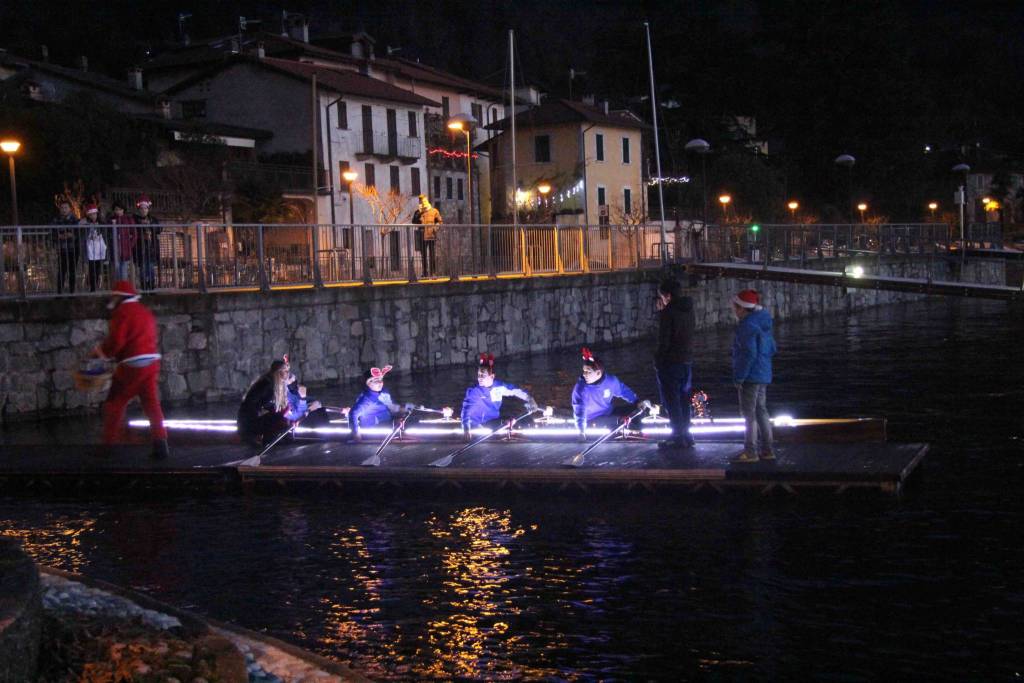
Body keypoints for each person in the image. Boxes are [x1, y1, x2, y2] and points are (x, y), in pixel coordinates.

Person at [92, 280, 169, 458]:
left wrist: (100, 353)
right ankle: (161, 444)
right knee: (151, 404)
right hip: (151, 363)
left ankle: (108, 447)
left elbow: (116, 342)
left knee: (114, 403)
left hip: (131, 365)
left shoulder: (122, 313)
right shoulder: (145, 312)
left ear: (119, 296)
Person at [730, 289, 777, 463]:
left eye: (735, 307)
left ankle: (750, 452)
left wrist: (739, 377)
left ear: (742, 308)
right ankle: (768, 450)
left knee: (748, 414)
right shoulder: (764, 322)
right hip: (763, 373)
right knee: (762, 411)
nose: (734, 310)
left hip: (750, 376)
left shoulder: (746, 326)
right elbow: (772, 348)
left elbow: (748, 353)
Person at [654, 277, 696, 449]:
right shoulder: (689, 310)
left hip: (670, 362)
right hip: (686, 361)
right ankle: (687, 434)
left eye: (662, 297)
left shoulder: (668, 313)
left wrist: (658, 360)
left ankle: (677, 436)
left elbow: (665, 341)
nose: (662, 300)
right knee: (684, 399)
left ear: (668, 296)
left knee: (672, 400)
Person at [460, 353, 537, 438]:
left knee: (526, 420)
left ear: (492, 376)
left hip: (493, 420)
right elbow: (466, 410)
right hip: (479, 424)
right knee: (507, 424)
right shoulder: (474, 391)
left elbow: (515, 390)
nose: (480, 378)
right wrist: (466, 427)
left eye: (483, 375)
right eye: (479, 375)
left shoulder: (499, 386)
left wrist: (530, 399)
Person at [571, 347, 639, 439]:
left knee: (637, 409)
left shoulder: (611, 381)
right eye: (584, 371)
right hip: (591, 419)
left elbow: (624, 391)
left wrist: (637, 402)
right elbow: (579, 413)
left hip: (608, 412)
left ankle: (640, 427)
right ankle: (624, 425)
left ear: (598, 373)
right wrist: (581, 432)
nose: (584, 374)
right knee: (619, 420)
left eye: (588, 372)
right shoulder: (580, 389)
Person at [348, 365, 414, 440]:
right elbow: (353, 414)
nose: (380, 383)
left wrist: (402, 409)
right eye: (376, 381)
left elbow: (391, 406)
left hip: (386, 423)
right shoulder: (366, 399)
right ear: (368, 383)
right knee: (410, 425)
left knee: (411, 419)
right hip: (374, 429)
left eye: (380, 380)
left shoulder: (384, 392)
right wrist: (356, 434)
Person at [237, 358, 292, 447]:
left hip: (253, 419)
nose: (288, 374)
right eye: (285, 371)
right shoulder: (266, 385)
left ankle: (276, 435)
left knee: (284, 412)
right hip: (249, 423)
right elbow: (250, 404)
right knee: (281, 416)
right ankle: (267, 438)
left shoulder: (272, 384)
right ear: (278, 372)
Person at [133, 195, 161, 291]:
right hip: (140, 247)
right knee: (142, 268)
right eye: (141, 208)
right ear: (139, 209)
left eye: (145, 208)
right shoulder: (135, 219)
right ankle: (144, 285)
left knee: (151, 267)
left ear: (148, 209)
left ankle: (152, 285)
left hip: (151, 247)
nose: (143, 210)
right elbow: (133, 230)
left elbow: (160, 229)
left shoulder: (153, 219)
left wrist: (151, 226)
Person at [52, 200, 80, 294]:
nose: (64, 210)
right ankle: (59, 291)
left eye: (66, 208)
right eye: (62, 208)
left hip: (73, 248)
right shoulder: (56, 219)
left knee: (72, 270)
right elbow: (54, 233)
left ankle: (72, 291)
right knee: (61, 270)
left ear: (70, 209)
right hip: (62, 248)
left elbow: (76, 233)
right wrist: (62, 235)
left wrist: (68, 234)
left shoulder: (75, 219)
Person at [412, 194, 442, 277]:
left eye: (422, 200)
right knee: (423, 256)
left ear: (426, 200)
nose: (421, 202)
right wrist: (419, 213)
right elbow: (413, 221)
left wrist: (435, 228)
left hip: (431, 235)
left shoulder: (434, 211)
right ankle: (425, 273)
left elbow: (439, 221)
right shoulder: (418, 211)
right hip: (422, 235)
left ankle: (433, 273)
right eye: (420, 201)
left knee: (432, 255)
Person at [80, 204, 108, 292]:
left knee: (99, 269)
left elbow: (105, 234)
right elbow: (80, 227)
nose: (93, 216)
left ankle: (98, 285)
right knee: (92, 269)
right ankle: (92, 288)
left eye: (94, 214)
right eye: (91, 214)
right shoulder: (85, 224)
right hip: (90, 250)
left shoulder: (101, 223)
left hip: (100, 249)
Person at [110, 201, 137, 282]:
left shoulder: (129, 219)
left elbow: (134, 234)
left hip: (125, 250)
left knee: (124, 272)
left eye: (120, 209)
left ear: (123, 210)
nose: (118, 211)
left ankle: (123, 290)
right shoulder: (111, 220)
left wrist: (130, 245)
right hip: (115, 250)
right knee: (116, 272)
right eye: (116, 209)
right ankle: (119, 289)